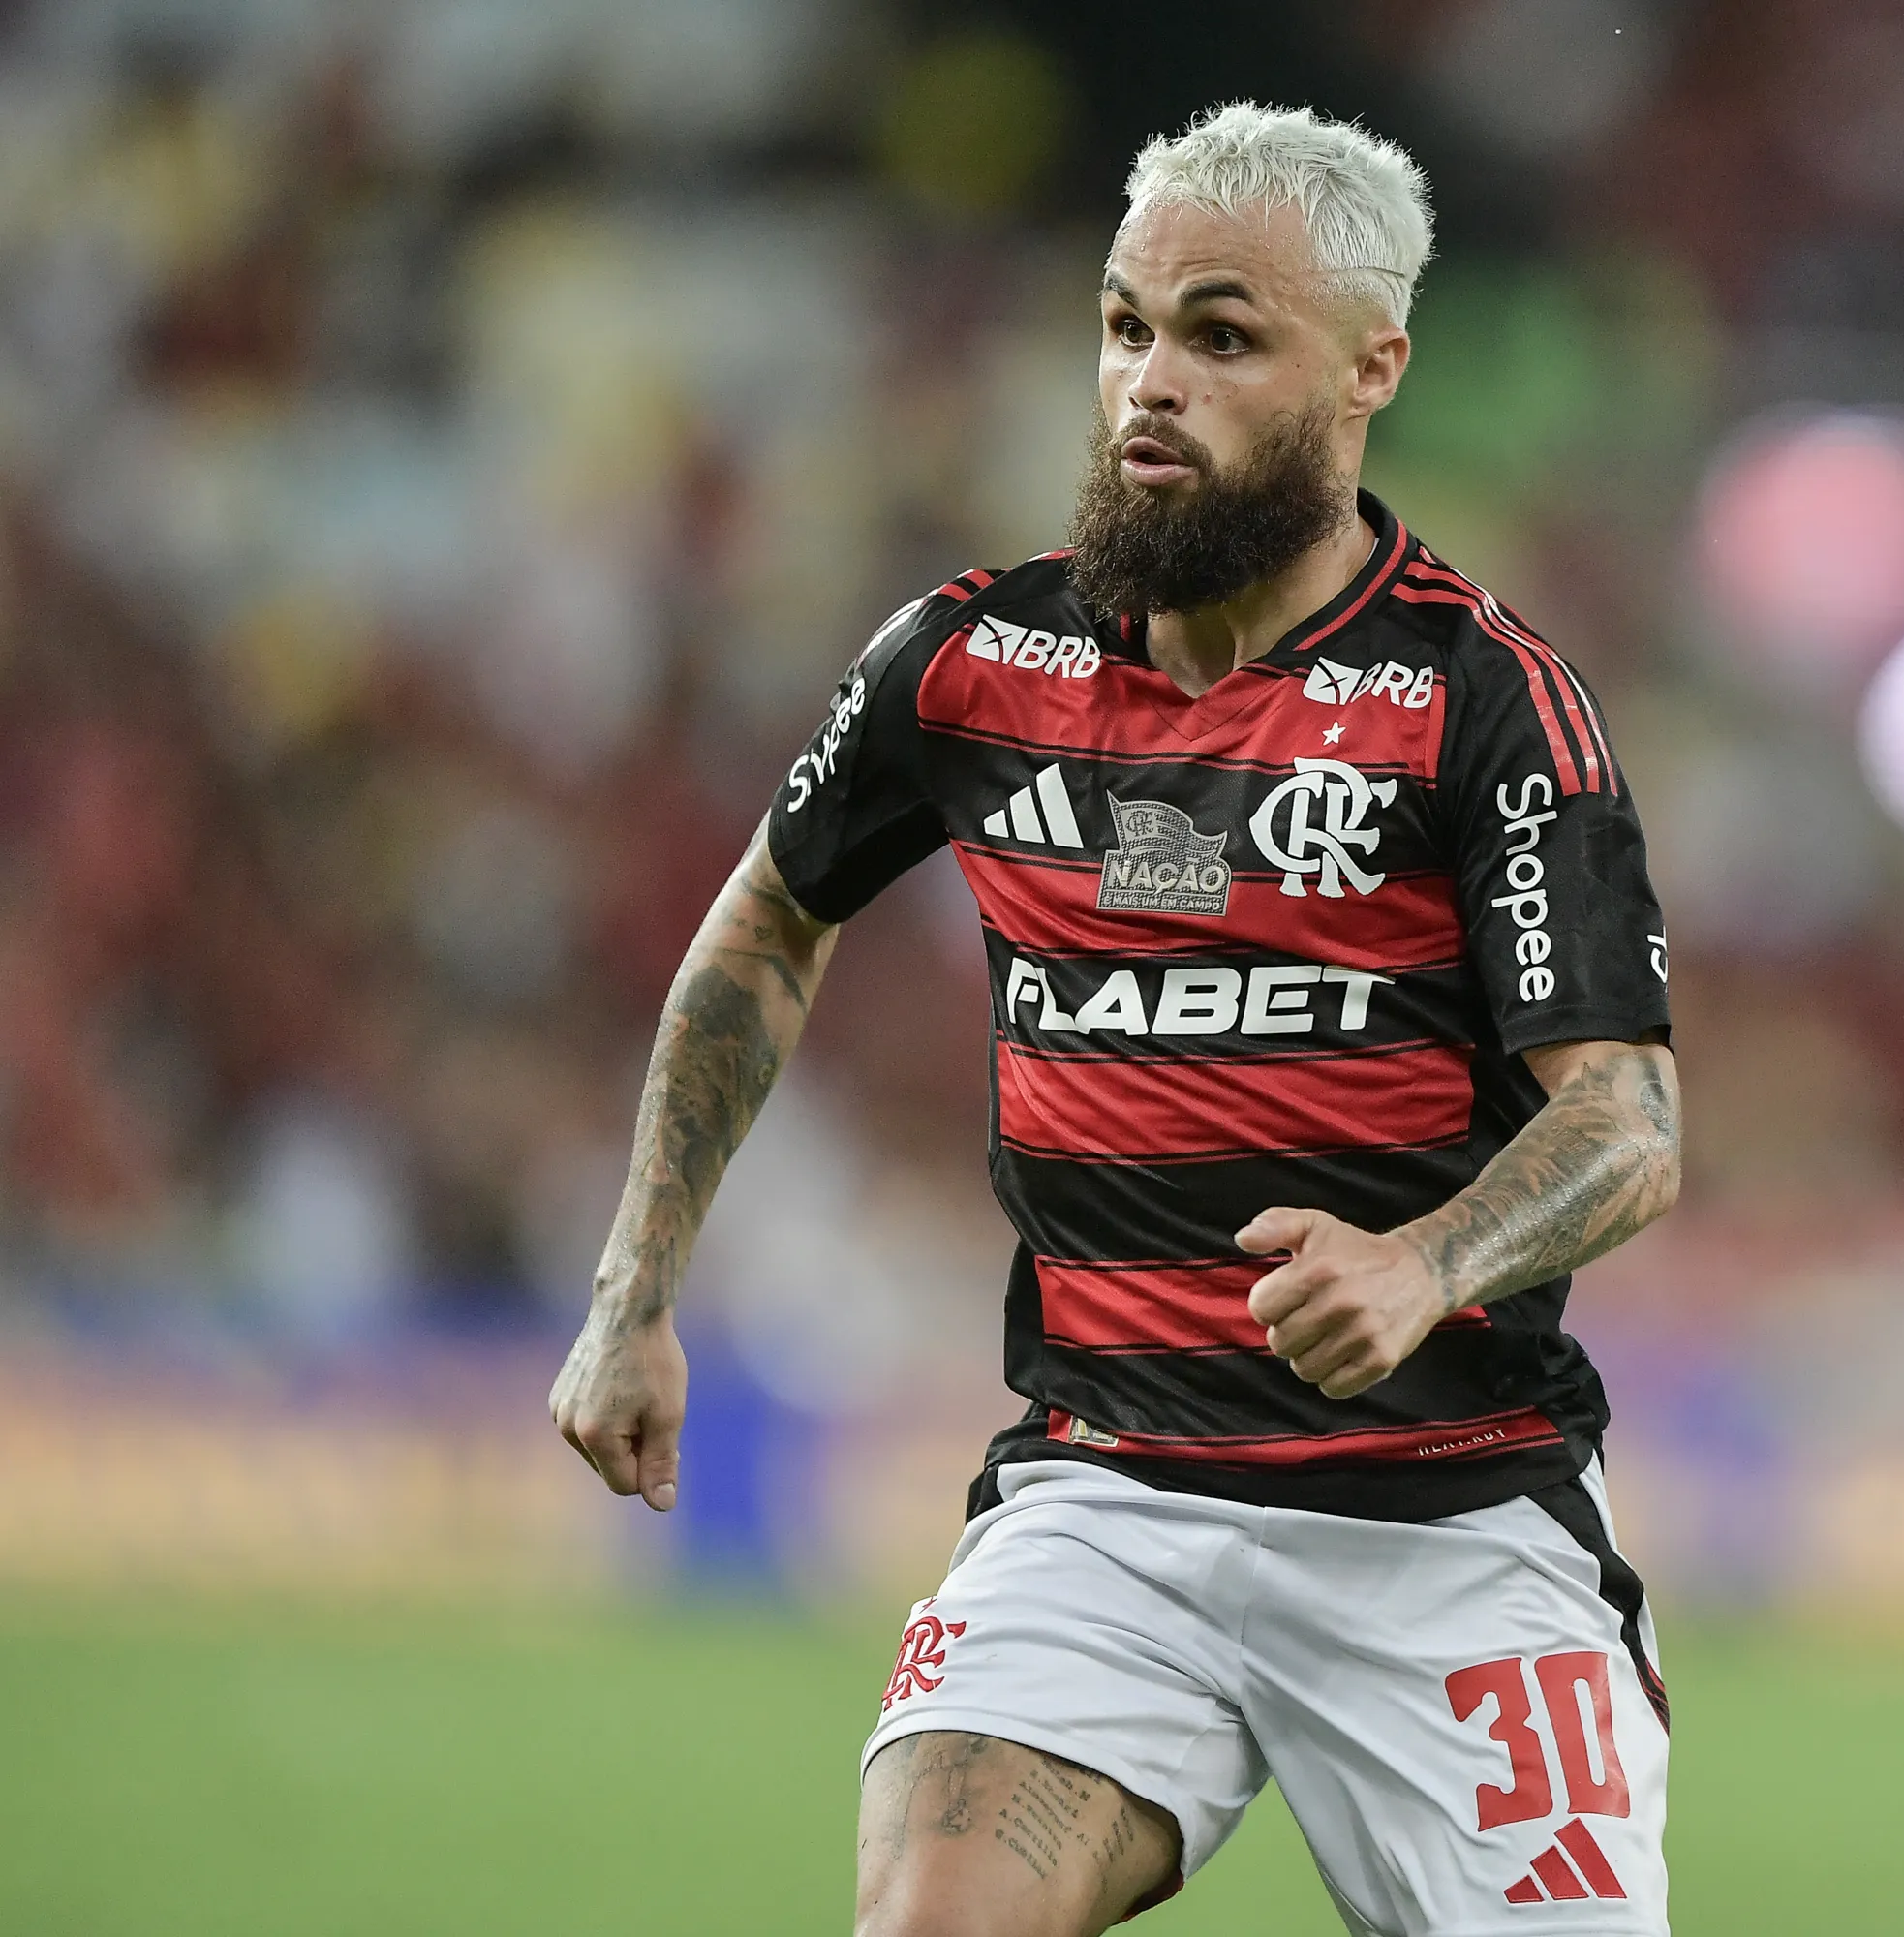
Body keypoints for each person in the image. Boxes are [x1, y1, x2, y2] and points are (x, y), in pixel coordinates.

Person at [549, 102, 1681, 1937]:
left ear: (1370, 369)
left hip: (1446, 1529)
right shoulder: (974, 662)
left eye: (1223, 337)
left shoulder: (1480, 703)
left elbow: (1627, 1123)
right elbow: (759, 930)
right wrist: (633, 1295)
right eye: (1125, 323)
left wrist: (1425, 1264)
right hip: (1108, 1500)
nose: (1150, 382)